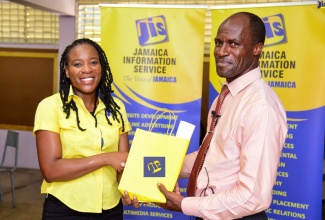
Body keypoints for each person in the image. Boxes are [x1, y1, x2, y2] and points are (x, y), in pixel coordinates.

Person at [156, 12, 288, 219]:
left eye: (233, 44)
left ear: (257, 49)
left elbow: (252, 196)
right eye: (218, 42)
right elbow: (211, 156)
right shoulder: (225, 97)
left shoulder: (260, 107)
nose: (221, 52)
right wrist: (152, 164)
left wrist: (185, 205)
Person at [34, 38, 138, 220]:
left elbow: (123, 163)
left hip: (111, 209)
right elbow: (50, 170)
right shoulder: (51, 107)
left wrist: (131, 190)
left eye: (93, 62)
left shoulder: (117, 107)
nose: (87, 69)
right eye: (77, 64)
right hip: (65, 210)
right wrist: (106, 158)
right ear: (66, 71)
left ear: (101, 67)